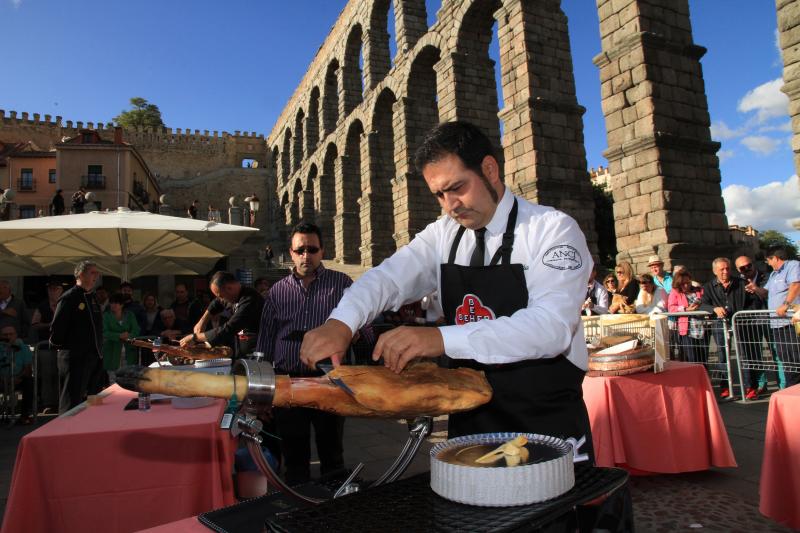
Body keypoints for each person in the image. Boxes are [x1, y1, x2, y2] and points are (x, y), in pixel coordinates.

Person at [299, 121, 595, 462]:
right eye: (439, 194)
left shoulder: (552, 229)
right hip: (470, 427)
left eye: (457, 188)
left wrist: (440, 339)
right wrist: (342, 322)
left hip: (548, 425)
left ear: (489, 169)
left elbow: (551, 328)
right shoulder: (443, 235)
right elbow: (389, 278)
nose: (450, 204)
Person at [256, 221, 374, 484]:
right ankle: (297, 513)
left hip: (328, 379)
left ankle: (332, 512)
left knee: (332, 452)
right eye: (300, 250)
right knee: (294, 454)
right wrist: (262, 390)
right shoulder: (277, 292)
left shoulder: (341, 283)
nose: (306, 255)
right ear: (291, 252)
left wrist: (354, 333)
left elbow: (366, 327)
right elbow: (264, 343)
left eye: (312, 249)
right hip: (289, 382)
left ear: (322, 251)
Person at [699, 257, 759, 398]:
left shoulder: (742, 283)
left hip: (740, 323)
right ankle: (725, 386)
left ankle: (750, 387)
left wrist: (743, 314)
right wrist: (714, 309)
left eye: (727, 268)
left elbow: (753, 303)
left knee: (744, 354)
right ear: (715, 271)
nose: (725, 271)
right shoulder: (708, 287)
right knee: (722, 356)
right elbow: (702, 304)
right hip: (720, 325)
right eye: (722, 269)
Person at [50, 261, 105, 413]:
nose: (96, 276)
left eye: (97, 273)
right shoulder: (69, 298)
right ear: (81, 275)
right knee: (72, 400)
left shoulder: (93, 298)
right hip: (75, 358)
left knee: (94, 400)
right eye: (93, 272)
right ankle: (66, 432)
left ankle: (91, 429)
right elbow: (57, 329)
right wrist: (66, 349)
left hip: (94, 356)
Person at [180, 271, 264, 358]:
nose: (221, 299)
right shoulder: (231, 295)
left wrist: (195, 337)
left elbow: (230, 328)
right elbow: (216, 303)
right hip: (240, 351)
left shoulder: (250, 300)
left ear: (229, 288)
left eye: (221, 296)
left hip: (256, 353)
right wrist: (202, 321)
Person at [735, 255, 778, 395]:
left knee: (776, 351)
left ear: (753, 264)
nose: (747, 269)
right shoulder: (739, 282)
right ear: (738, 270)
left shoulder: (767, 276)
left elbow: (770, 295)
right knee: (755, 354)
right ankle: (761, 384)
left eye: (749, 265)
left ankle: (782, 384)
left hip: (770, 318)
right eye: (743, 268)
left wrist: (756, 288)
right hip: (751, 321)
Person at [764, 245, 800, 388]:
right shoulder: (773, 274)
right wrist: (755, 289)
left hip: (791, 322)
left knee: (796, 358)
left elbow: (796, 285)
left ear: (775, 258)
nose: (768, 263)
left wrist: (786, 304)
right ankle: (791, 389)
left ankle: (795, 388)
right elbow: (765, 292)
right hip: (777, 324)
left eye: (769, 260)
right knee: (786, 359)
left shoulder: (793, 265)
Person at [668, 270, 706, 364]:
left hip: (702, 328)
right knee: (691, 357)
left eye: (688, 282)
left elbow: (707, 301)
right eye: (683, 284)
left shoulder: (698, 290)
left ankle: (703, 377)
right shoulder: (675, 292)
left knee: (703, 357)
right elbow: (671, 308)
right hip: (687, 329)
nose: (686, 285)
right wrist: (685, 309)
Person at [0, 324, 34, 424]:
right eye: (5, 335)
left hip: (18, 378)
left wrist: (17, 378)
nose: (8, 337)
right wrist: (3, 379)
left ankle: (25, 416)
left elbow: (28, 369)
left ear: (16, 335)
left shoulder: (23, 348)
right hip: (1, 379)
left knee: (29, 382)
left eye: (11, 334)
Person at [102, 293, 140, 379]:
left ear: (122, 305)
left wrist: (129, 335)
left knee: (128, 378)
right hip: (111, 351)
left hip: (128, 351)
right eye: (111, 302)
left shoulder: (130, 315)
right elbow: (104, 332)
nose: (113, 305)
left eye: (116, 303)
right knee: (113, 379)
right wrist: (119, 335)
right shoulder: (106, 316)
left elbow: (136, 330)